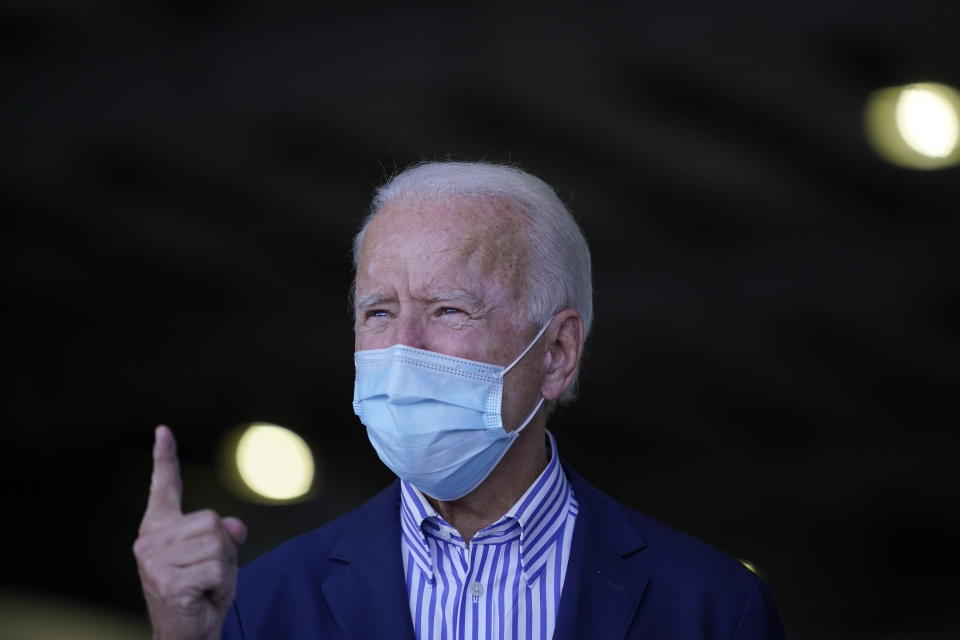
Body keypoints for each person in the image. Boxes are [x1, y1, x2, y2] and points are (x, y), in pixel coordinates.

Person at [134, 161, 786, 639]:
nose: (403, 349)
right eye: (380, 312)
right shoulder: (263, 604)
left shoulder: (710, 609)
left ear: (556, 353)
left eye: (449, 310)